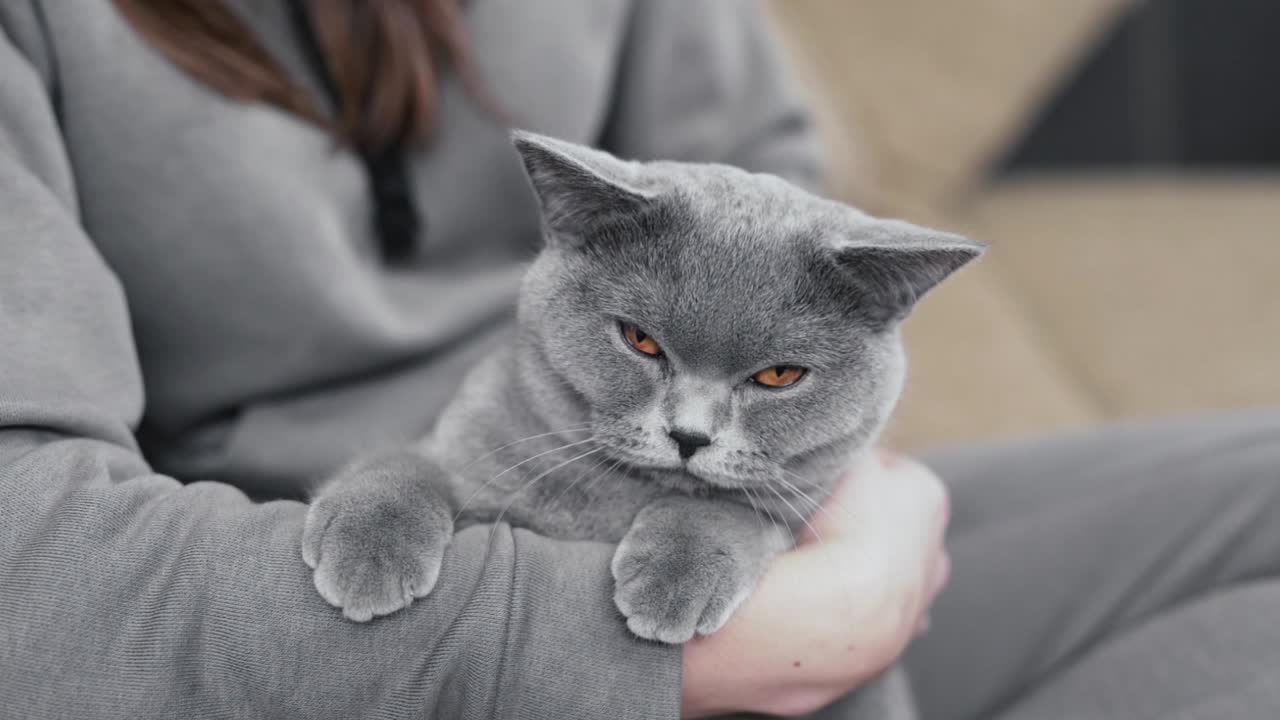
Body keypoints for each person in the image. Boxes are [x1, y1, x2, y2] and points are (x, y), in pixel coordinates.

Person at [0, 1, 1276, 718]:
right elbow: (28, 578)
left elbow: (769, 194)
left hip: (761, 524)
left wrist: (851, 519)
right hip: (358, 610)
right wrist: (708, 650)